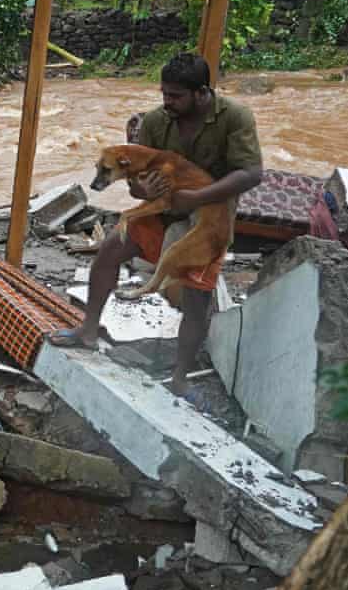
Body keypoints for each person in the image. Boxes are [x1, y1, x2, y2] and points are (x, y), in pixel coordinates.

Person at [50, 52, 263, 397]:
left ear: (201, 93)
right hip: (160, 211)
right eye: (164, 94)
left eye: (176, 96)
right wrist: (140, 189)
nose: (167, 102)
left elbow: (252, 174)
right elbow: (134, 177)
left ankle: (180, 376)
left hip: (208, 217)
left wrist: (197, 197)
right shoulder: (155, 121)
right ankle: (88, 331)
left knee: (196, 298)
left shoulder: (234, 117)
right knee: (108, 253)